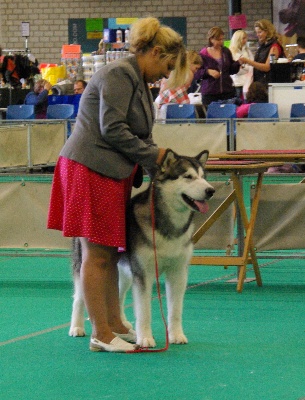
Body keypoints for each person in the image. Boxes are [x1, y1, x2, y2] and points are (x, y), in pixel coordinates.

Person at [47, 16, 187, 353]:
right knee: (97, 252)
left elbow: (140, 135)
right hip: (90, 166)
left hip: (112, 171)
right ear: (154, 52)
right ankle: (100, 334)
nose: (167, 75)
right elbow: (112, 128)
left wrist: (158, 167)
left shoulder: (137, 80)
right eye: (167, 65)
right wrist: (155, 156)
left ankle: (113, 323)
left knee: (109, 250)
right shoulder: (118, 74)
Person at [194, 26, 242, 107]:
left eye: (222, 39)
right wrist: (208, 71)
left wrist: (238, 63)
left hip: (227, 91)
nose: (221, 42)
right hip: (210, 93)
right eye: (218, 40)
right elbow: (196, 73)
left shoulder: (226, 51)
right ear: (211, 39)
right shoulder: (203, 54)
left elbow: (231, 70)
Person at [239, 19, 285, 87]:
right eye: (256, 32)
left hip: (268, 84)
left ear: (267, 32)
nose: (257, 35)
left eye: (260, 32)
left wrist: (248, 61)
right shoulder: (262, 46)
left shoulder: (274, 47)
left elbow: (267, 67)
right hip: (260, 82)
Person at [229, 29, 254, 100]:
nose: (245, 40)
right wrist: (247, 67)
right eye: (243, 38)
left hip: (249, 81)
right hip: (237, 83)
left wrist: (245, 67)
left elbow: (252, 63)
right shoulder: (231, 52)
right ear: (238, 39)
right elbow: (236, 69)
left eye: (246, 38)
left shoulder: (247, 50)